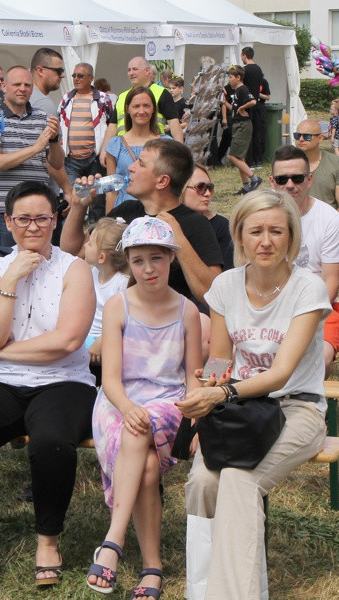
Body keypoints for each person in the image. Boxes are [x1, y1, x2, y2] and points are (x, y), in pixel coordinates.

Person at [0, 180, 96, 595]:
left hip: (64, 382)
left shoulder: (74, 269)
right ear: (7, 223)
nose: (32, 227)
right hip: (2, 384)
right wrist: (13, 277)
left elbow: (67, 342)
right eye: (23, 218)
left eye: (42, 218)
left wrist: (2, 353)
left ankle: (48, 542)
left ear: (55, 219)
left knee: (50, 441)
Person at [179, 189, 330, 599]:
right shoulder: (226, 285)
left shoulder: (308, 288)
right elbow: (220, 360)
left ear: (291, 238)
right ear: (240, 236)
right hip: (238, 408)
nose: (266, 241)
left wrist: (220, 395)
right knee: (202, 483)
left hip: (298, 407)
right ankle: (204, 591)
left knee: (239, 481)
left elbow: (281, 373)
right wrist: (206, 402)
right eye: (256, 231)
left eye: (276, 231)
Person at [88, 217, 201, 597]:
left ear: (171, 258)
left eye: (157, 258)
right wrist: (125, 405)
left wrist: (197, 417)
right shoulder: (119, 307)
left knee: (142, 425)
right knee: (148, 469)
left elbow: (192, 379)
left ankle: (113, 541)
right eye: (138, 261)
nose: (148, 269)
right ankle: (151, 566)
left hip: (169, 402)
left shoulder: (187, 311)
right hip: (118, 398)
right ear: (128, 264)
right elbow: (111, 380)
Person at [65, 138, 224, 310]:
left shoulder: (194, 223)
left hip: (167, 325)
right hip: (118, 320)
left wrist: (177, 239)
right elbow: (74, 250)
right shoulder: (126, 211)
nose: (130, 167)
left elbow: (214, 295)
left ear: (162, 181)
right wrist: (78, 207)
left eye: (140, 163)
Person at [269, 145, 339, 373]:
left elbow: (330, 283)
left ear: (309, 179)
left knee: (317, 360)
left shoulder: (329, 219)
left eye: (297, 178)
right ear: (272, 182)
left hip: (319, 308)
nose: (290, 185)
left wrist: (300, 317)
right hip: (269, 306)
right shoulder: (260, 217)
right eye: (282, 179)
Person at [0, 65, 62, 257]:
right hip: (5, 211)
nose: (22, 89)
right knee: (9, 269)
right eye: (17, 84)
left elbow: (57, 164)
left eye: (27, 85)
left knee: (41, 265)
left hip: (39, 211)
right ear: (4, 87)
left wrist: (55, 140)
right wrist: (36, 148)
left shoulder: (43, 118)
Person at [57, 62, 118, 222]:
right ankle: (70, 240)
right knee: (71, 201)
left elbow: (112, 125)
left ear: (91, 78)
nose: (76, 79)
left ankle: (95, 236)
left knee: (98, 202)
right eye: (74, 75)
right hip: (71, 160)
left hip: (95, 158)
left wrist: (105, 150)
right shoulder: (66, 99)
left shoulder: (103, 99)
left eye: (80, 76)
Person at [29, 48, 75, 229]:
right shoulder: (43, 105)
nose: (63, 76)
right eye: (58, 71)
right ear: (40, 70)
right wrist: (67, 190)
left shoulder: (29, 101)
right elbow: (49, 157)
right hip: (42, 194)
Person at [103, 86, 168, 211]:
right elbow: (111, 190)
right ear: (127, 109)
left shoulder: (166, 143)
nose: (141, 111)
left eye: (146, 106)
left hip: (156, 210)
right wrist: (108, 222)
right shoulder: (115, 144)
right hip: (124, 210)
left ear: (154, 109)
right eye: (136, 106)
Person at [82, 218, 129, 384]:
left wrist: (103, 339)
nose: (85, 245)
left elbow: (126, 320)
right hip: (88, 336)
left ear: (101, 257)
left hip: (109, 339)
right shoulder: (93, 273)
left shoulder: (122, 282)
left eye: (90, 244)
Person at [292, 119, 339, 223]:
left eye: (307, 136)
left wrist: (332, 231)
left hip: (329, 224)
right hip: (295, 226)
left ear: (320, 138)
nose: (301, 139)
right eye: (297, 135)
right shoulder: (286, 164)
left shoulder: (336, 163)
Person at [115, 57, 183, 142]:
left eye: (135, 69)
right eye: (129, 70)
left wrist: (180, 152)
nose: (131, 73)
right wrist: (104, 151)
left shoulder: (161, 93)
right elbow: (112, 126)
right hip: (124, 148)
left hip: (153, 147)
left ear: (147, 71)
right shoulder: (122, 96)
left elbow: (174, 125)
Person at [181, 163, 234, 271]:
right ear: (180, 189)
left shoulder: (223, 227)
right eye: (200, 187)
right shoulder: (163, 222)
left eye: (210, 187)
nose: (208, 193)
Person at [223, 66, 262, 196]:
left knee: (232, 156)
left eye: (231, 77)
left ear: (238, 77)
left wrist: (242, 108)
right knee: (240, 158)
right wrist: (225, 102)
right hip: (237, 124)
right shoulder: (236, 91)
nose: (229, 80)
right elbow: (233, 108)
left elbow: (253, 101)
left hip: (243, 125)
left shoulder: (243, 89)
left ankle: (255, 179)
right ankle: (245, 186)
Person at [240, 47, 265, 169]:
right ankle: (258, 161)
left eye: (241, 56)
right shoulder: (259, 69)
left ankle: (249, 162)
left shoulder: (245, 71)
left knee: (247, 134)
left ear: (244, 55)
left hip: (248, 104)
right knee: (256, 134)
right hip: (258, 104)